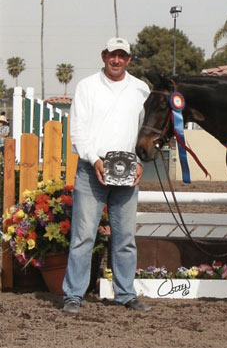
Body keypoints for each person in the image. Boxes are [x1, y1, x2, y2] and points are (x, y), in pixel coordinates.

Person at [62, 37, 150, 314]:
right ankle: (74, 294)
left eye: (122, 56)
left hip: (128, 170)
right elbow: (78, 129)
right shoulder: (86, 86)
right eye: (112, 55)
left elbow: (145, 131)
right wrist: (94, 159)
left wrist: (140, 161)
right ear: (104, 56)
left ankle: (125, 294)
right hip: (92, 169)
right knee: (83, 236)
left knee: (125, 238)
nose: (117, 60)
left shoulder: (141, 89)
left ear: (129, 59)